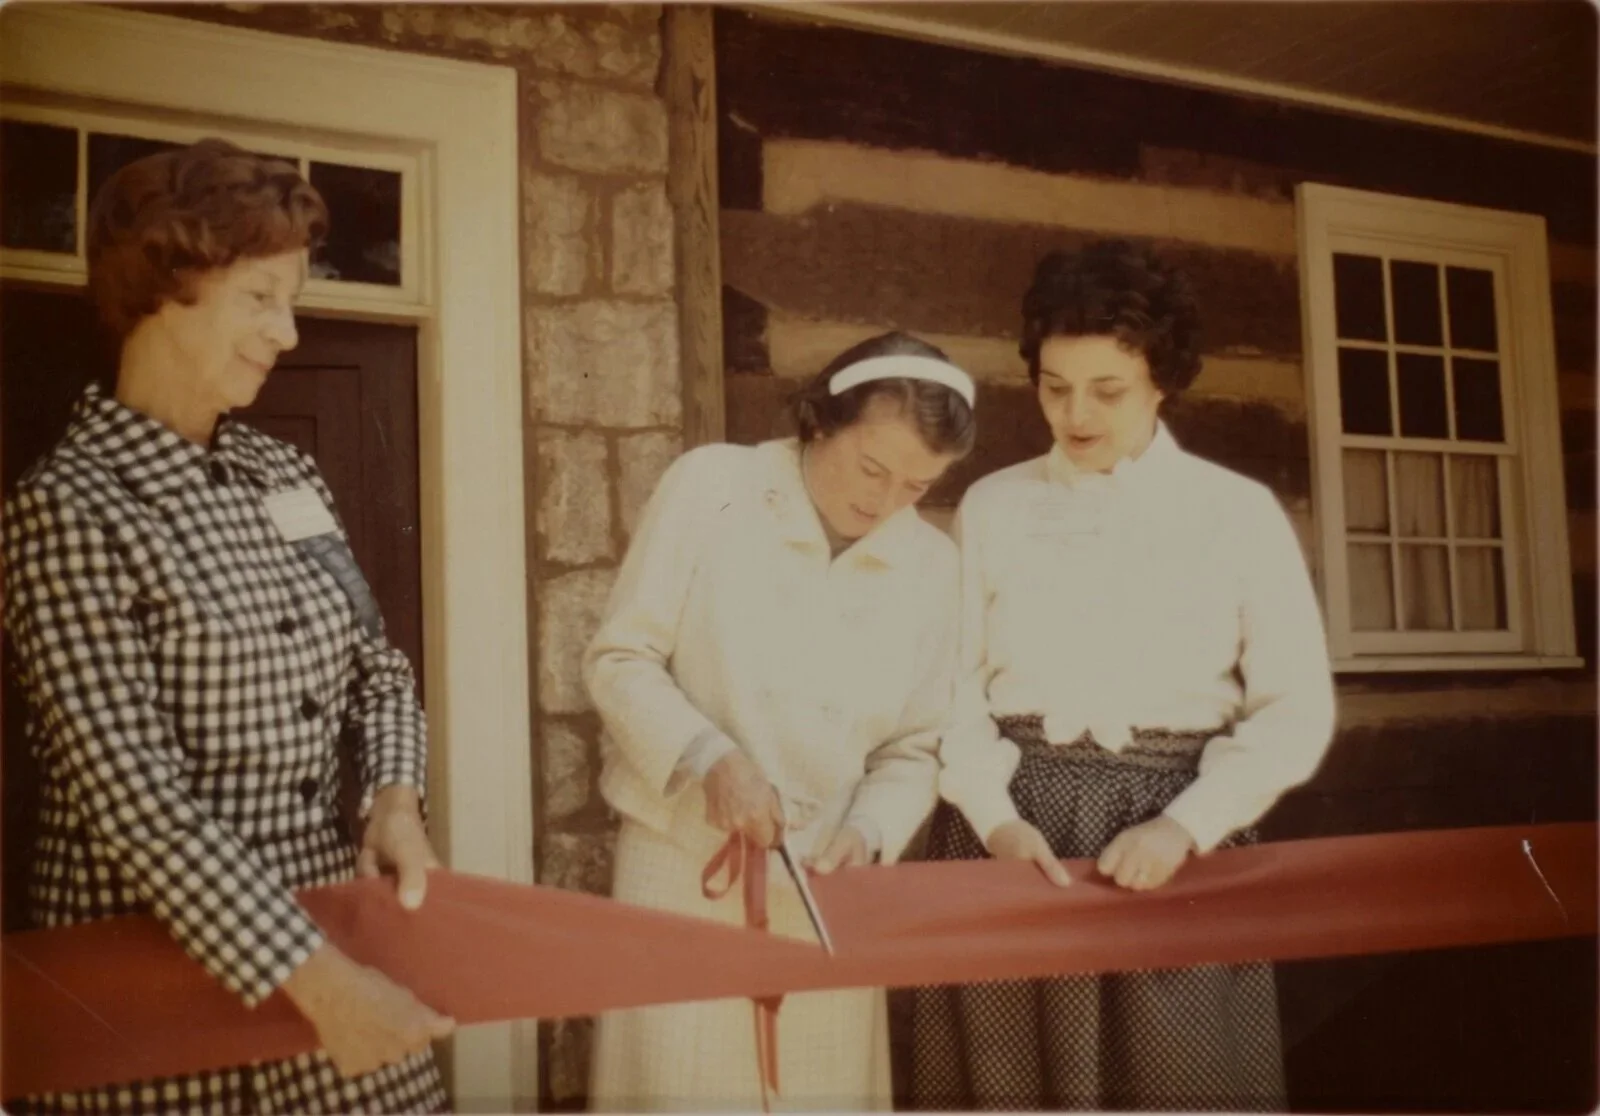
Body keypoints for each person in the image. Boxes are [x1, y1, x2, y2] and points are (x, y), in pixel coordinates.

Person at [2, 138, 451, 1113]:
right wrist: (323, 985)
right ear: (165, 284)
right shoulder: (71, 507)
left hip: (337, 946)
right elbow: (135, 803)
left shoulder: (283, 477)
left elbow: (378, 668)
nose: (287, 332)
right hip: (164, 1001)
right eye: (261, 297)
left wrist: (394, 799)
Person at [912, 239, 1336, 1111]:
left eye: (1108, 390)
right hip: (1014, 844)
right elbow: (950, 689)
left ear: (1161, 382)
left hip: (1169, 845)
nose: (1077, 414)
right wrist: (993, 820)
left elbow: (1295, 710)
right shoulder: (995, 504)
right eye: (1055, 386)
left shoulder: (1235, 514)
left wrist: (1185, 827)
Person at [584, 332, 976, 1111]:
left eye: (915, 485)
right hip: (681, 862)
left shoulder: (932, 567)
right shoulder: (713, 486)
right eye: (872, 467)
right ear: (820, 419)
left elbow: (916, 747)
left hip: (824, 887)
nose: (884, 500)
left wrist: (868, 832)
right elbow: (619, 659)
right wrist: (708, 757)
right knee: (677, 1088)